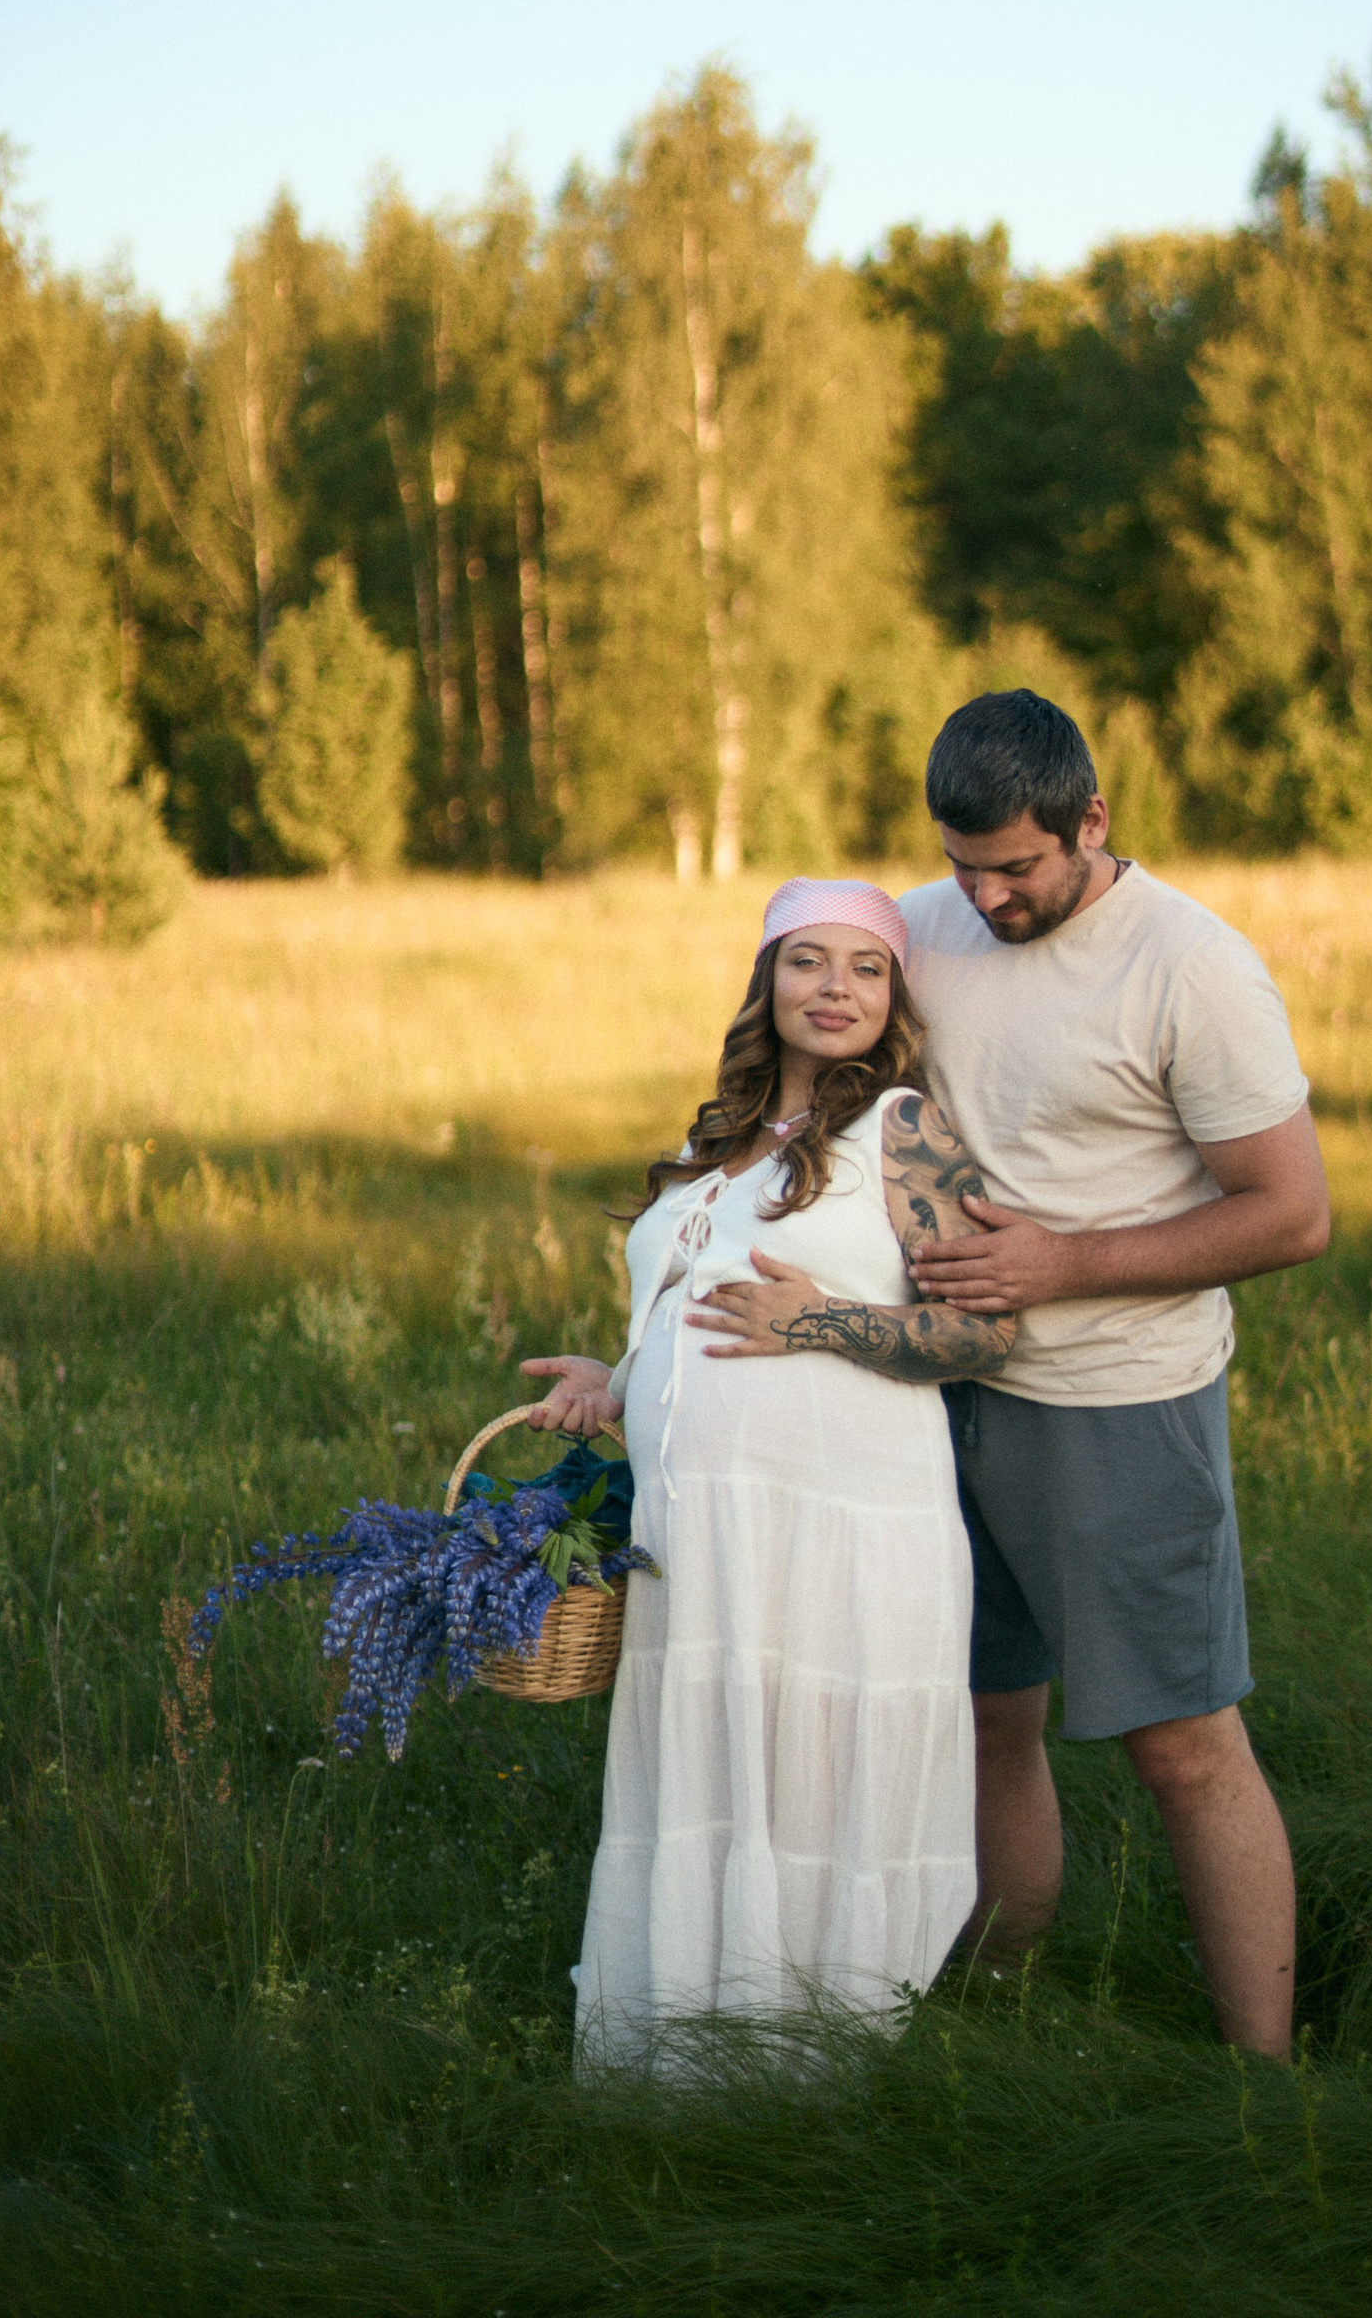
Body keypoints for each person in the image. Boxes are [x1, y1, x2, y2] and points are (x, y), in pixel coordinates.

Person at [898, 690, 1331, 2059]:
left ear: (1092, 819)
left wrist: (1065, 1265)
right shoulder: (918, 927)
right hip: (931, 1397)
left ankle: (1264, 2084)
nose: (987, 898)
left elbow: (1291, 1215)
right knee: (983, 1722)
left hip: (1118, 1407)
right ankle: (993, 2020)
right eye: (964, 866)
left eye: (1016, 868)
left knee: (1182, 1749)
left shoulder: (1192, 966)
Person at [521, 878, 1013, 2070]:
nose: (834, 988)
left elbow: (984, 1334)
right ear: (768, 981)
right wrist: (614, 1379)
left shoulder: (901, 1128)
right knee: (709, 1778)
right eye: (807, 961)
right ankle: (683, 2062)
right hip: (702, 1537)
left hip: (842, 1525)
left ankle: (813, 2068)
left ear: (893, 995)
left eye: (865, 967)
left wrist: (820, 1322)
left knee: (812, 1784)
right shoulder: (716, 1144)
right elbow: (694, 1315)